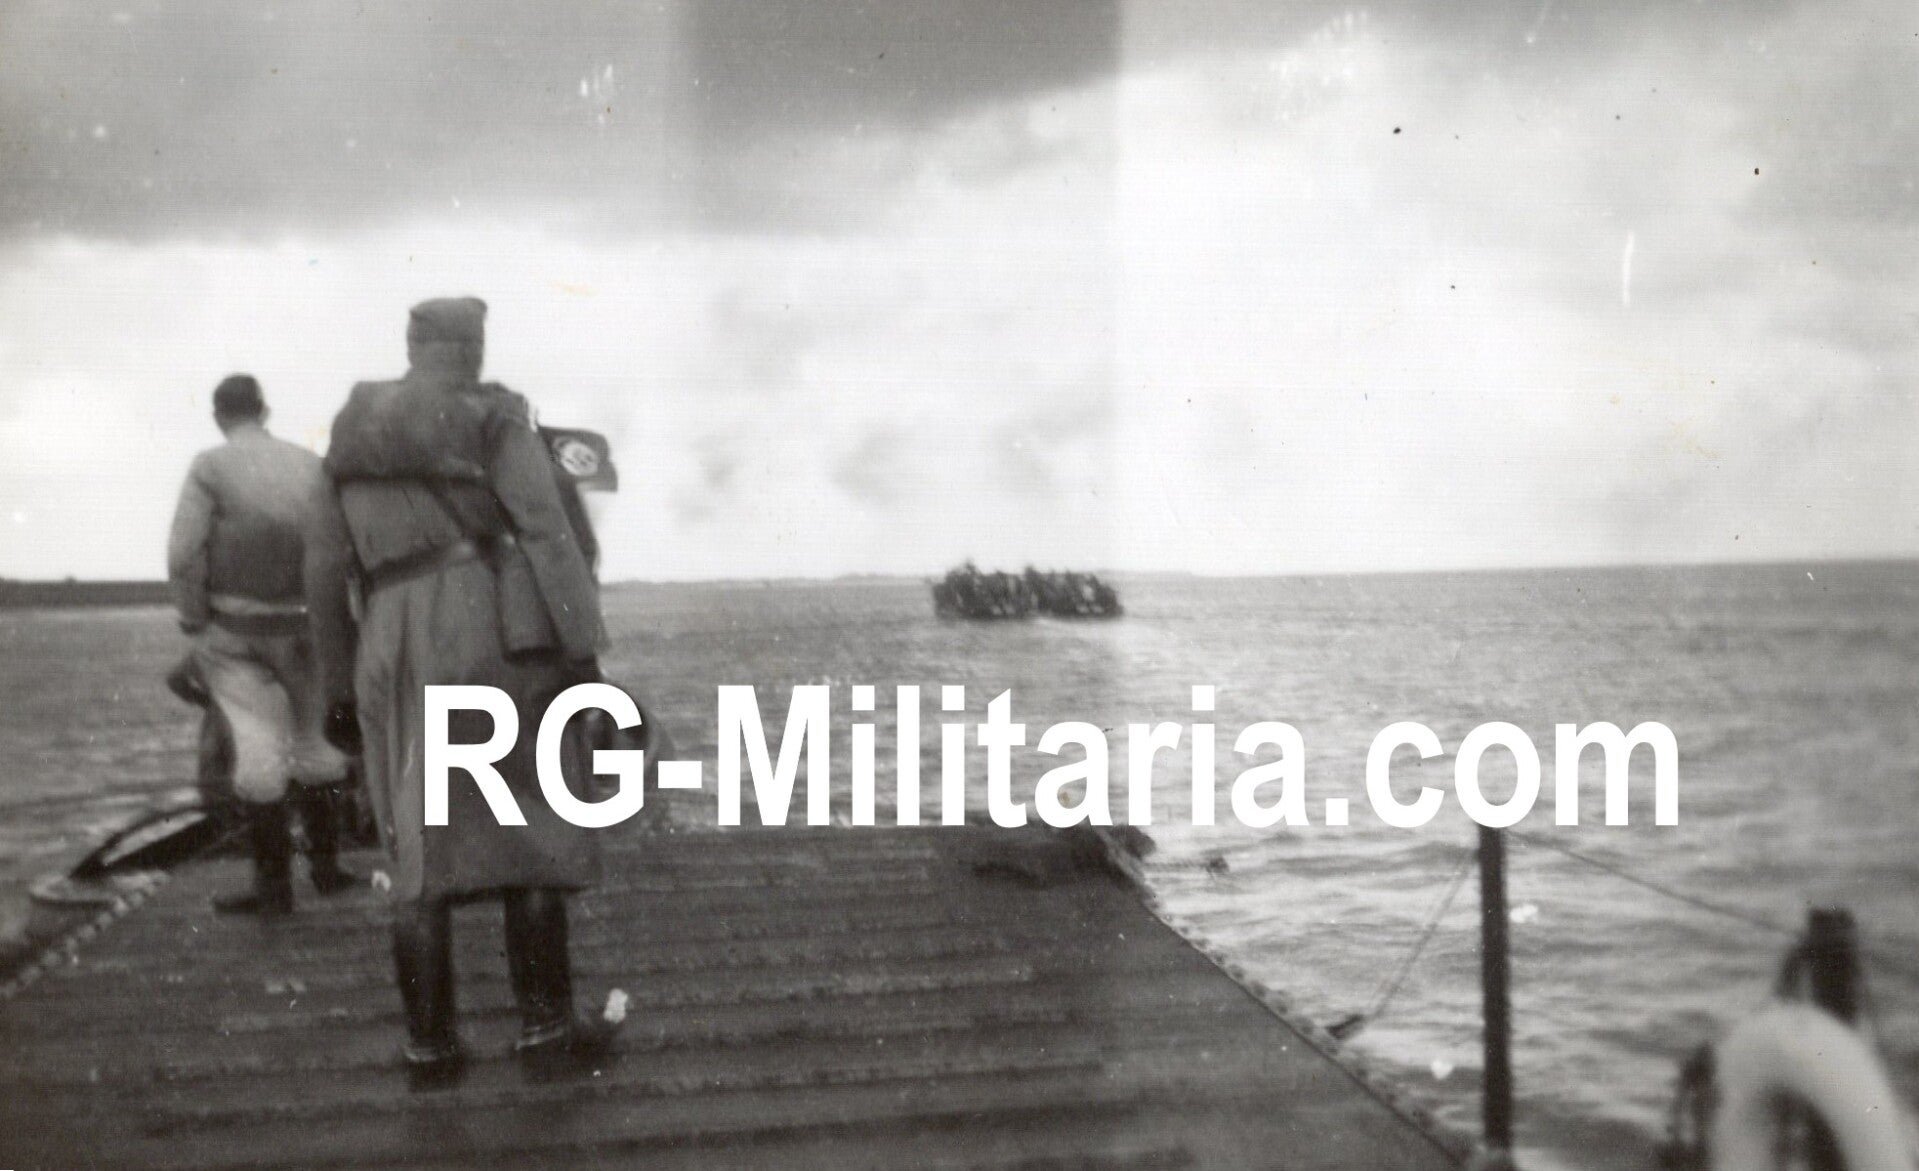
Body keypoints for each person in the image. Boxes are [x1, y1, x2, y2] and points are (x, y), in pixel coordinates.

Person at [305, 297, 618, 1088]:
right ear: (472, 346)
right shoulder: (494, 416)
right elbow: (547, 534)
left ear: (412, 345)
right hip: (488, 629)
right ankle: (546, 1031)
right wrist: (582, 657)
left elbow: (322, 568)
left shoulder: (350, 427)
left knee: (414, 843)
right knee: (531, 830)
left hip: (387, 637)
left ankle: (430, 1047)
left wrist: (337, 684)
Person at [165, 375, 357, 915]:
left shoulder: (210, 466)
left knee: (257, 752)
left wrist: (193, 618)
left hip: (235, 632)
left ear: (219, 416)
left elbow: (183, 553)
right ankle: (327, 870)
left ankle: (274, 891)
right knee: (319, 746)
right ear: (265, 411)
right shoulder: (309, 464)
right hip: (308, 627)